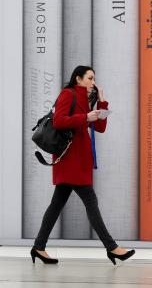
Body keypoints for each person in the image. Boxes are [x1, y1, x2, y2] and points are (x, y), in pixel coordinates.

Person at [30, 65, 135, 265]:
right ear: (78, 79)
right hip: (70, 159)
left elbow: (101, 127)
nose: (93, 82)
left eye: (94, 78)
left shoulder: (86, 100)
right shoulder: (68, 94)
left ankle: (38, 247)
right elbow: (59, 121)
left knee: (56, 205)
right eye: (89, 78)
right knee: (90, 201)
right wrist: (85, 117)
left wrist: (102, 101)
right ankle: (112, 247)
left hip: (78, 159)